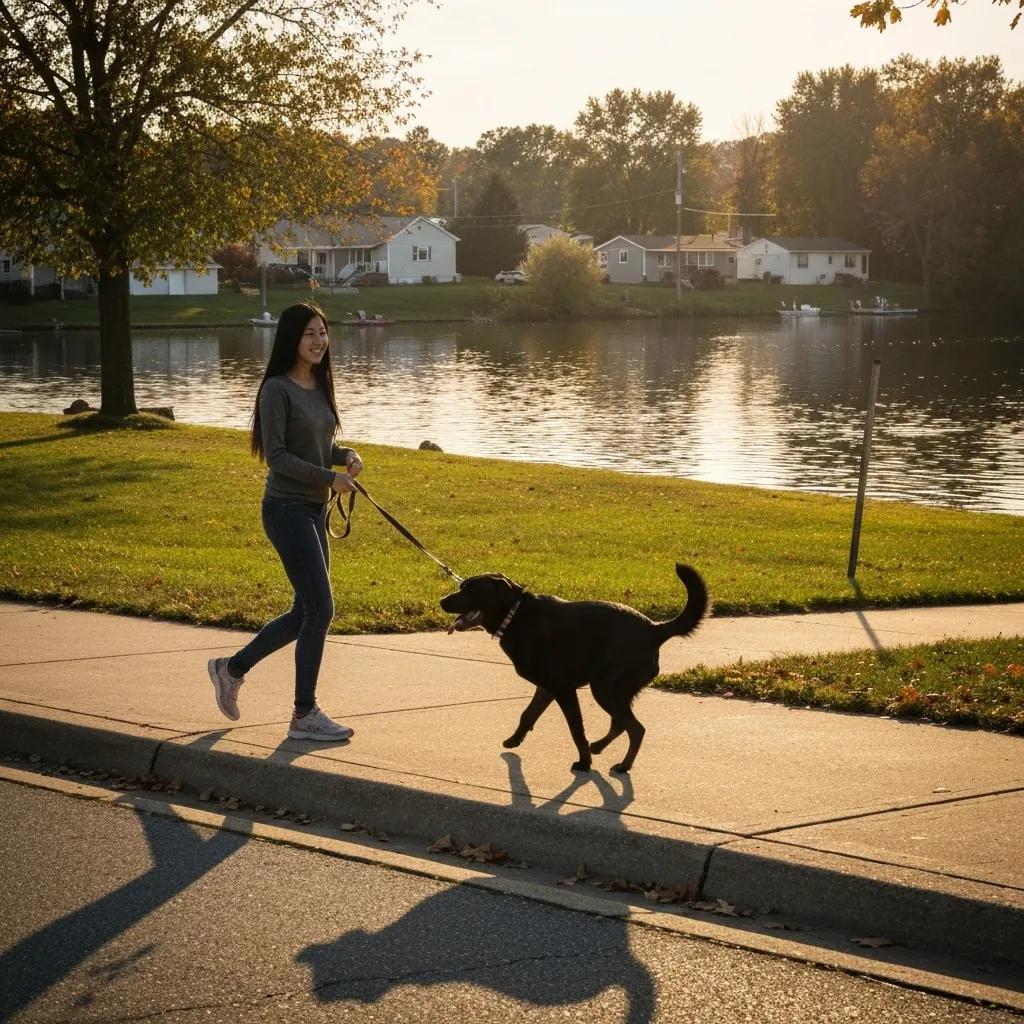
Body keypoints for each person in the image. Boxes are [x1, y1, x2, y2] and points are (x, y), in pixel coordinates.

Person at [207, 302, 363, 741]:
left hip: (312, 509)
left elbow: (314, 444)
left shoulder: (318, 383)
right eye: (309, 334)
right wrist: (329, 477)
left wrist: (344, 456)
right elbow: (277, 455)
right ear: (291, 339)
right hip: (286, 510)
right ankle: (304, 714)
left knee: (305, 611)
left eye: (323, 333)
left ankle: (231, 669)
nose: (318, 341)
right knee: (321, 608)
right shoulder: (276, 389)